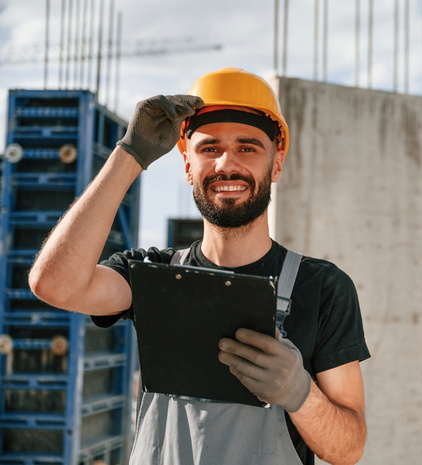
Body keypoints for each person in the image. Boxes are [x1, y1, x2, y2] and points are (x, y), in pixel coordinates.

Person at [28, 67, 370, 465]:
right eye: (209, 148)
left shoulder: (323, 287)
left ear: (275, 164)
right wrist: (130, 155)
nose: (227, 164)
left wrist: (302, 395)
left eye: (248, 147)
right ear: (188, 165)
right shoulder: (151, 276)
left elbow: (349, 449)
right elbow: (54, 283)